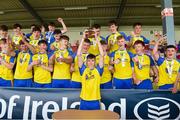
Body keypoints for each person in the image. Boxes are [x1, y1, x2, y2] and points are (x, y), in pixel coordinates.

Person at [77, 32, 104, 110]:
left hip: (95, 100)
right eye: (89, 61)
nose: (91, 62)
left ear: (95, 62)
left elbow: (102, 55)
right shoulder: (83, 70)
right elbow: (78, 54)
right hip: (84, 100)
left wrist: (96, 39)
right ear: (86, 62)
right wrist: (83, 38)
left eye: (92, 60)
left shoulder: (98, 70)